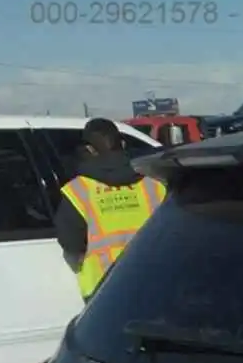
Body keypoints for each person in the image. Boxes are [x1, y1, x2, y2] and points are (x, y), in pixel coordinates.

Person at [55, 118, 167, 300]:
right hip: (153, 284)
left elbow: (72, 247)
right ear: (122, 144)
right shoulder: (156, 184)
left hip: (104, 294)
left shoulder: (78, 191)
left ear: (89, 150)